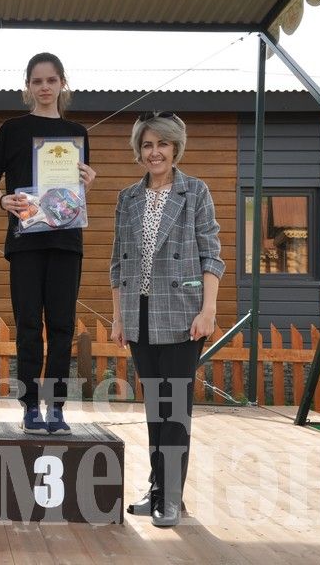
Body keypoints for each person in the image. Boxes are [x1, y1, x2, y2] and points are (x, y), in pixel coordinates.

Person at [110, 111, 224, 527]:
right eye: (146, 145)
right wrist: (118, 317)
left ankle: (171, 497)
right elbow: (118, 263)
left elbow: (212, 253)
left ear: (176, 148)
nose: (154, 152)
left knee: (175, 408)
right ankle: (158, 488)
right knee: (155, 408)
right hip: (139, 315)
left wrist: (208, 310)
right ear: (139, 151)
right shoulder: (127, 197)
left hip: (182, 313)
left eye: (162, 144)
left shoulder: (195, 192)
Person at [0, 53, 96, 436]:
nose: (44, 87)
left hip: (66, 240)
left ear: (62, 83)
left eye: (51, 80)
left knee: (62, 325)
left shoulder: (78, 133)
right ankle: (30, 406)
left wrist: (88, 183)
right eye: (37, 81)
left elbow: (76, 194)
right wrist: (2, 201)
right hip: (25, 241)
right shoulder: (11, 129)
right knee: (29, 324)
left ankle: (58, 408)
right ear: (27, 86)